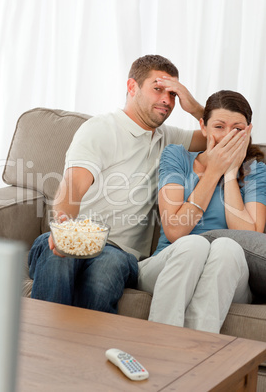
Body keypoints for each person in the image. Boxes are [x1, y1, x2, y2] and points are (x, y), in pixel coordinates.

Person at [28, 54, 207, 313]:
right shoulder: (101, 129)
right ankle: (42, 347)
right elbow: (73, 186)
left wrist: (193, 106)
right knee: (59, 259)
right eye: (158, 90)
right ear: (132, 87)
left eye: (173, 95)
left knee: (105, 273)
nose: (167, 101)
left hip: (121, 252)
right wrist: (64, 228)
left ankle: (88, 350)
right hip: (77, 235)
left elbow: (219, 135)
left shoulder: (169, 138)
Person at [138, 89, 266, 333]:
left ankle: (198, 357)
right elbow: (176, 230)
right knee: (193, 244)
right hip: (171, 261)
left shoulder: (255, 170)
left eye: (238, 129)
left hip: (227, 272)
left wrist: (230, 173)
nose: (228, 136)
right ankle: (161, 346)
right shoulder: (177, 156)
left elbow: (250, 234)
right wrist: (214, 171)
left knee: (228, 246)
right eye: (219, 126)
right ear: (203, 127)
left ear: (248, 132)